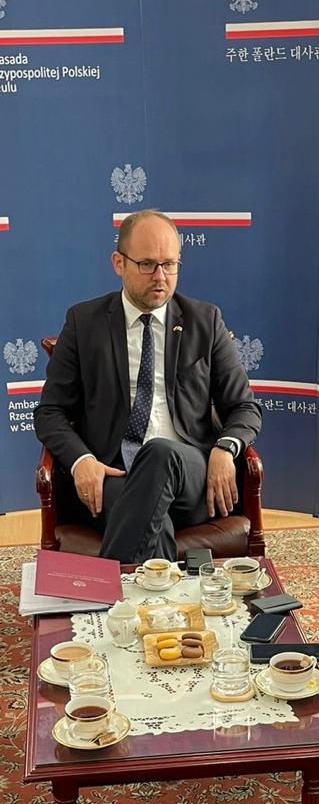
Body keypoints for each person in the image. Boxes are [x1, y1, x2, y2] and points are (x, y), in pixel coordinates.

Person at [34, 209, 261, 564]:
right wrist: (81, 461)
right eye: (147, 265)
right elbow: (50, 411)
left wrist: (225, 447)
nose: (160, 277)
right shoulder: (84, 323)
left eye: (170, 264)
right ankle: (161, 595)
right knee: (149, 516)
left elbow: (244, 407)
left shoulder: (205, 321)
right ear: (118, 263)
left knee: (158, 453)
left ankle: (101, 590)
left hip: (189, 471)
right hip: (113, 474)